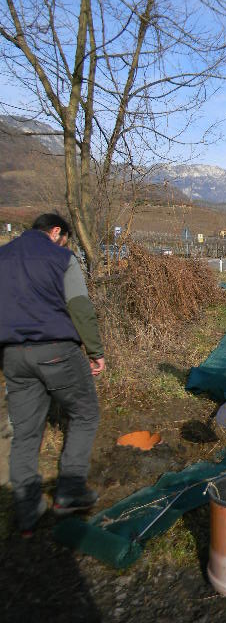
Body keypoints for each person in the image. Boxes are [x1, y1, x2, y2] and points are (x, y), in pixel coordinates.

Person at [0, 213, 105, 536]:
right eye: (66, 238)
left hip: (13, 356)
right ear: (57, 232)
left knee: (26, 433)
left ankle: (28, 512)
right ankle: (69, 492)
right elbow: (79, 306)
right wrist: (95, 351)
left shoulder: (3, 256)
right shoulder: (61, 257)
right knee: (85, 413)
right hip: (57, 349)